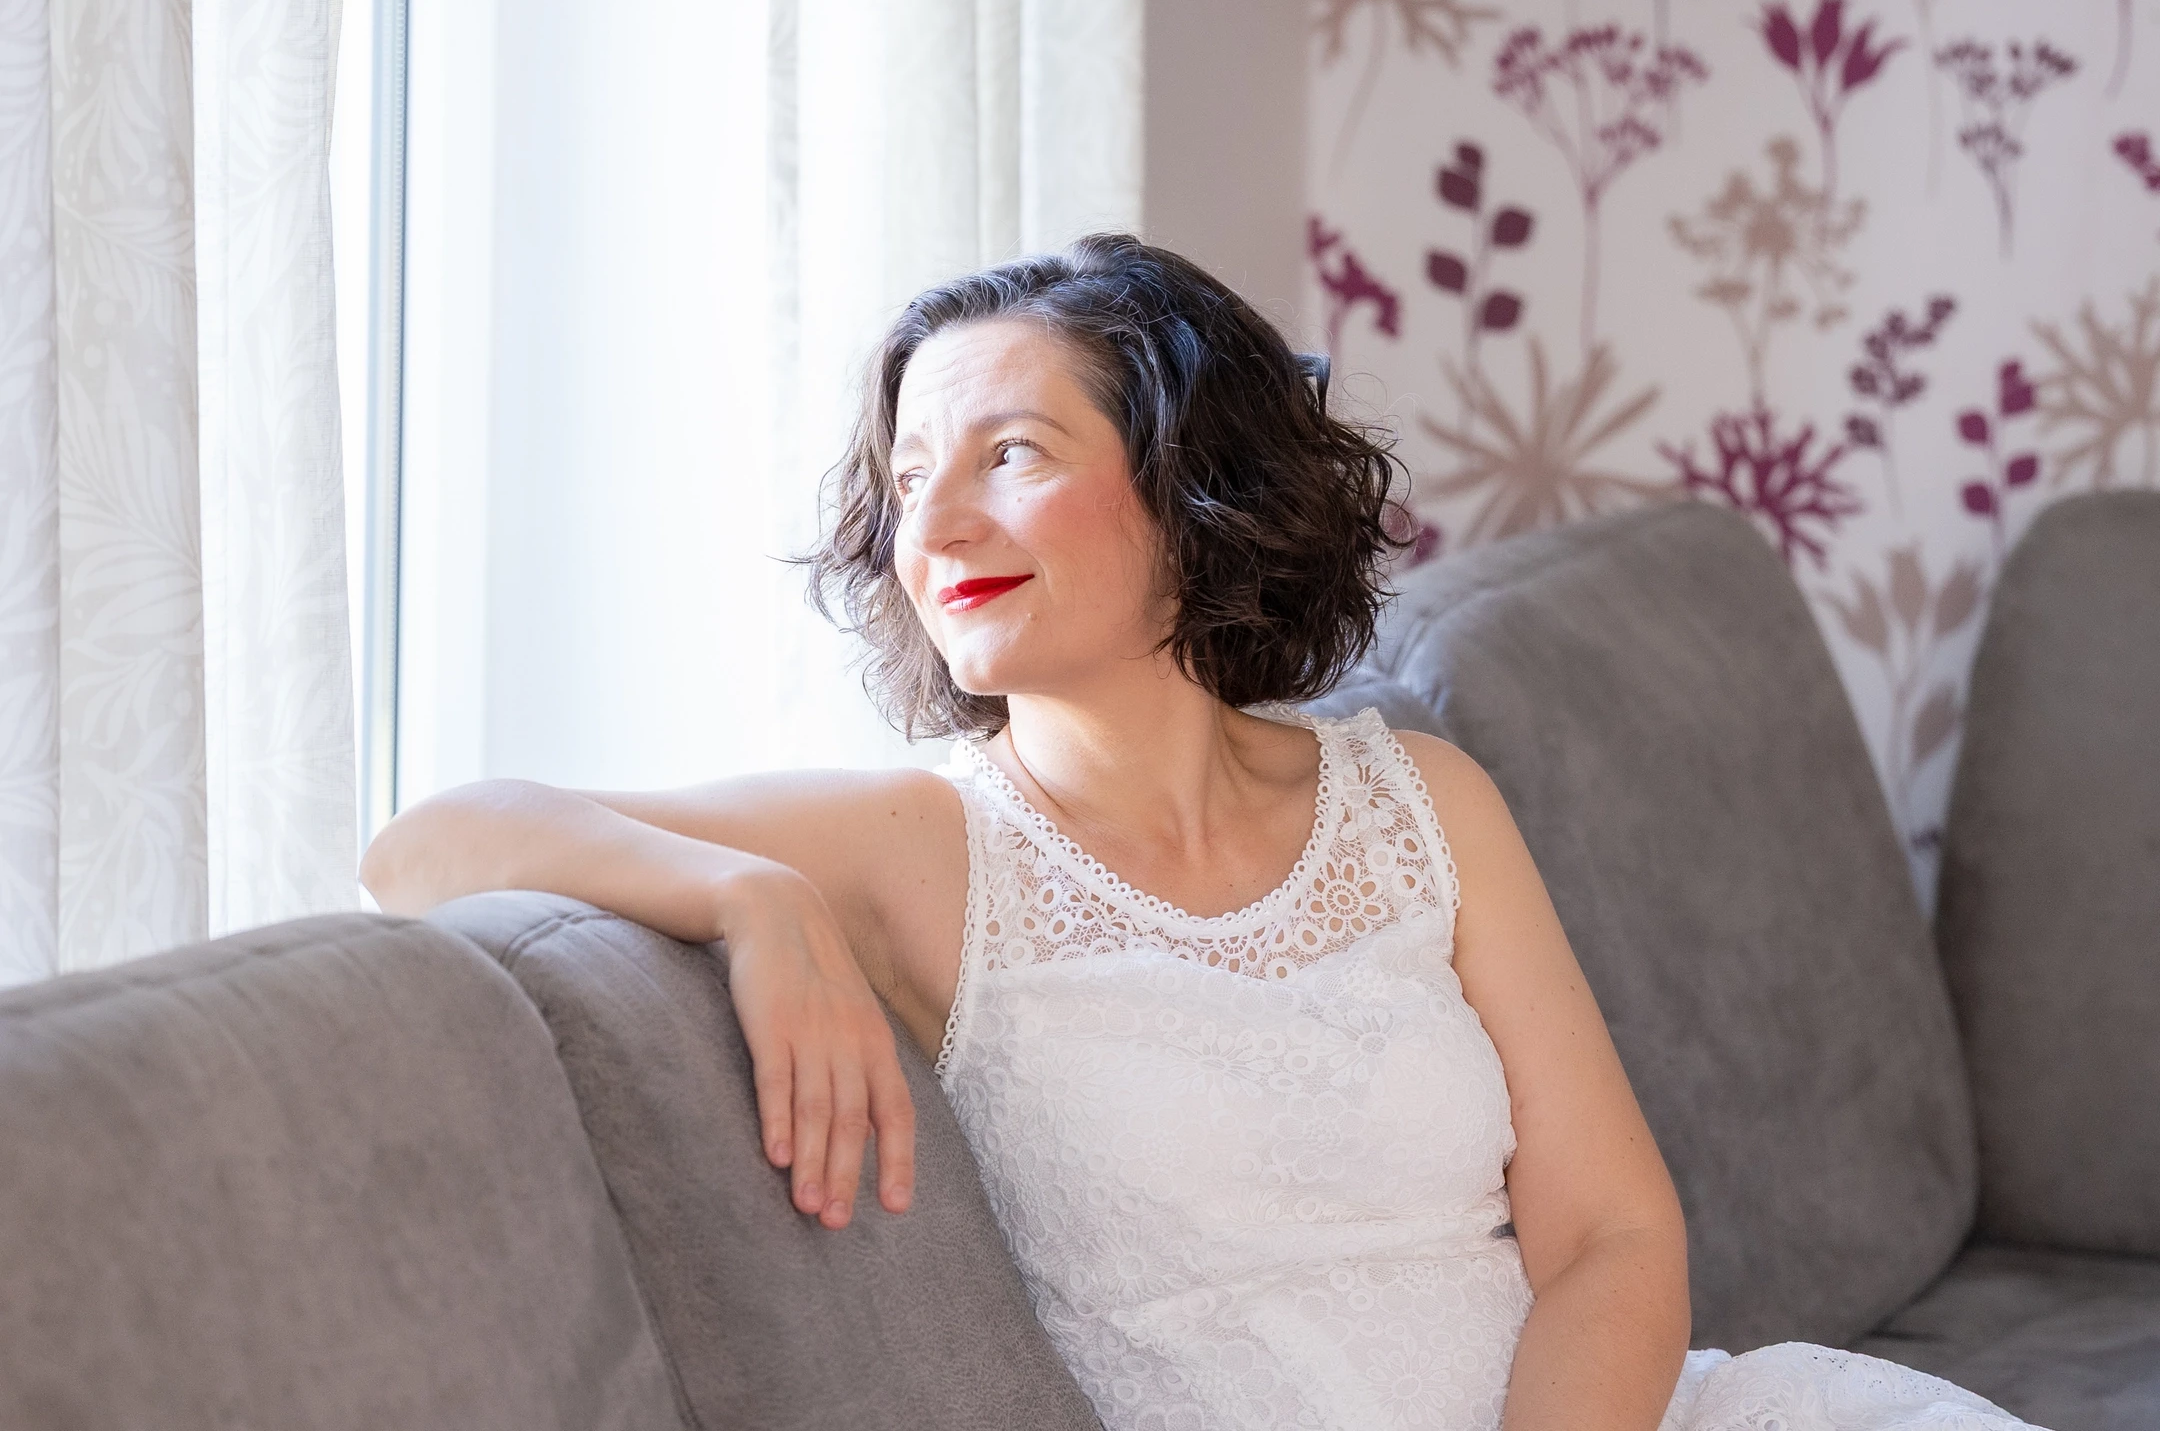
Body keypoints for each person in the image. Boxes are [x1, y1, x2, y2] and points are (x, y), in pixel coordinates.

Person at [362, 235, 2038, 1431]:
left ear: (1190, 482)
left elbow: (1612, 1235)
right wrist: (751, 901)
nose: (937, 522)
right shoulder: (921, 849)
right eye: (912, 474)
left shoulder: (1422, 802)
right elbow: (427, 845)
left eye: (1013, 453)